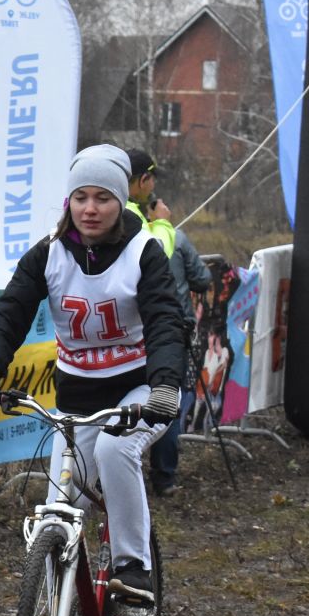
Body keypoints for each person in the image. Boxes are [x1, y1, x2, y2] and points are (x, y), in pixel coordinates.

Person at [0, 145, 187, 603]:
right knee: (61, 507)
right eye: (80, 196)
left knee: (113, 449)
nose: (90, 208)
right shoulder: (48, 253)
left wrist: (165, 385)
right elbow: (8, 315)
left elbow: (166, 321)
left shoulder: (143, 253)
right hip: (78, 396)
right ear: (68, 202)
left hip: (142, 389)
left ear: (121, 201)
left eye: (102, 197)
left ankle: (132, 568)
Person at [125, 148, 211, 495]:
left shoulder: (111, 215)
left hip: (128, 332)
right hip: (157, 330)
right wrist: (162, 221)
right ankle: (163, 476)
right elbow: (155, 254)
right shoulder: (136, 221)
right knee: (167, 398)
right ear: (144, 180)